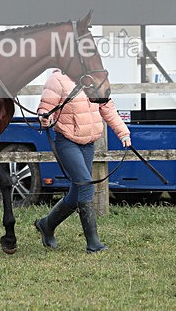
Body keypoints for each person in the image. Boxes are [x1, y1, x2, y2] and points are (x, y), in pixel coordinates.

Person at [35, 68, 131, 253]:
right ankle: (93, 243)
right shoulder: (58, 79)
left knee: (76, 192)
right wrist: (44, 118)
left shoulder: (93, 78)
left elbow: (107, 107)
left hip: (89, 143)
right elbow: (45, 108)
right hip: (67, 142)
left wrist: (123, 132)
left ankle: (46, 225)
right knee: (86, 184)